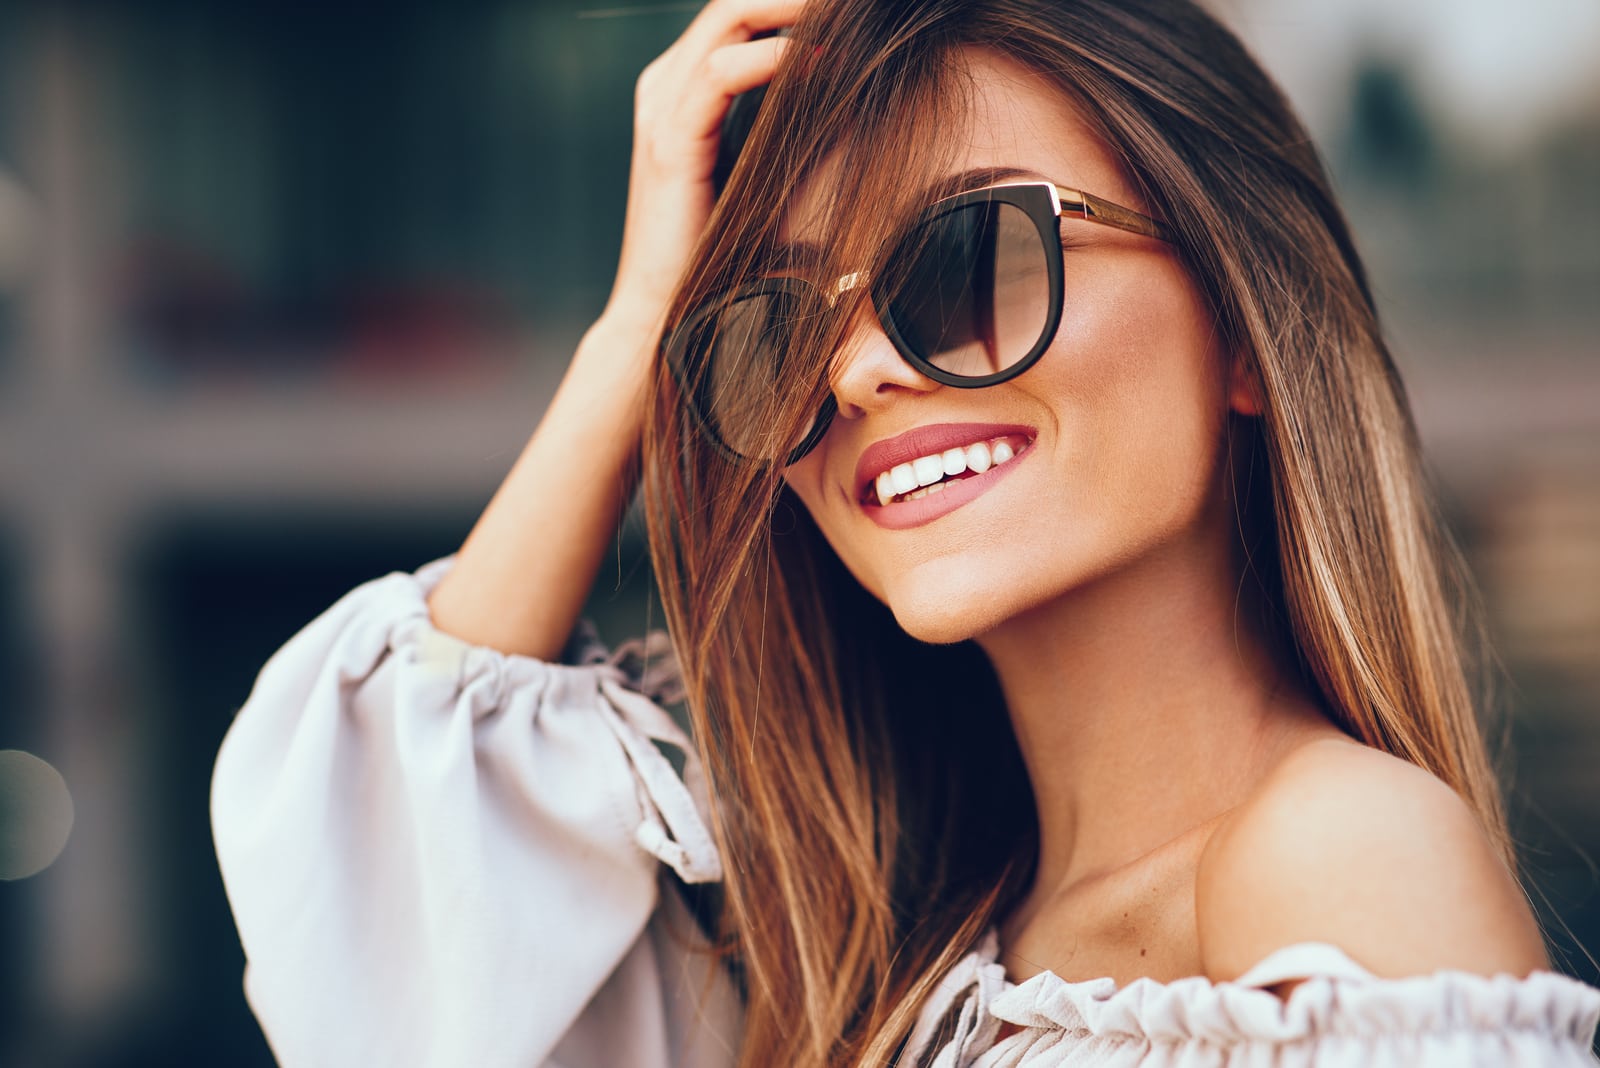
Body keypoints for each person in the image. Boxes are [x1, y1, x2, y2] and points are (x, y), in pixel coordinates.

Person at [211, 0, 1600, 1064]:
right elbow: (384, 956)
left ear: (1244, 328)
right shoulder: (876, 953)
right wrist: (641, 325)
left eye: (970, 257)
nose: (858, 368)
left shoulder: (1338, 853)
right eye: (778, 327)